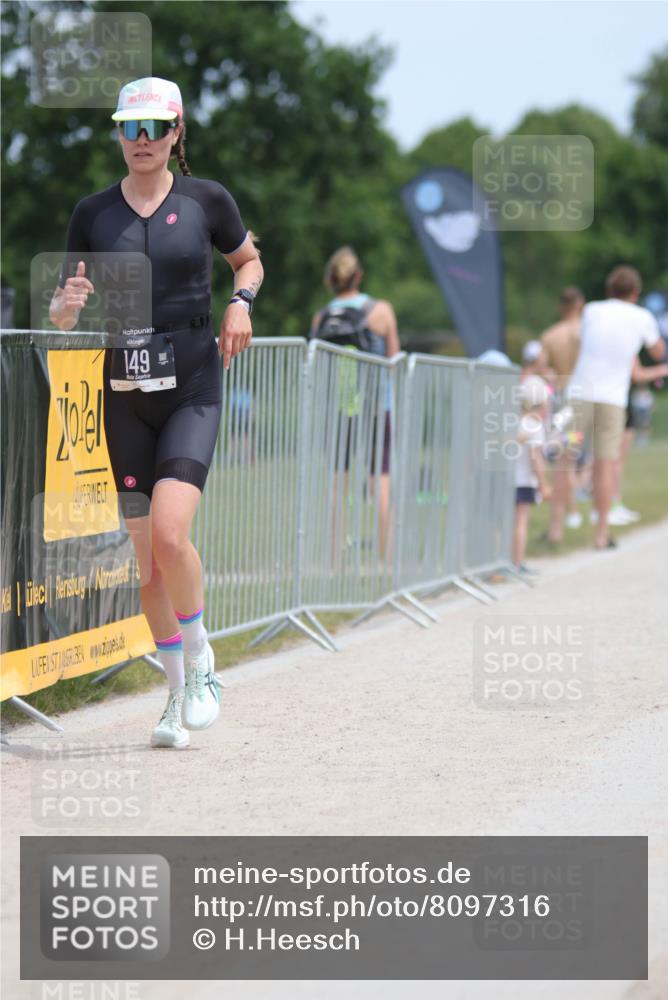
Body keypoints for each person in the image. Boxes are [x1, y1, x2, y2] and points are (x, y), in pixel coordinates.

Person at [49, 77, 263, 749]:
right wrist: (65, 307)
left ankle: (200, 659)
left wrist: (241, 302)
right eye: (128, 128)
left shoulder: (208, 200)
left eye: (153, 129)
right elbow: (62, 304)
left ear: (176, 133)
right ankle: (174, 696)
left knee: (172, 535)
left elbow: (248, 261)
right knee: (146, 568)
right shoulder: (93, 212)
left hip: (193, 384)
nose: (140, 141)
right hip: (124, 394)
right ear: (118, 134)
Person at [310, 247, 400, 560]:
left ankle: (335, 560)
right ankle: (384, 559)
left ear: (331, 280)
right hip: (377, 403)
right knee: (381, 482)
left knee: (338, 484)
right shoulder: (381, 310)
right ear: (358, 275)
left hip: (340, 406)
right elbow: (393, 358)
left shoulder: (321, 317)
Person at [567, 266, 665, 549]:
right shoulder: (642, 317)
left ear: (609, 289)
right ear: (635, 293)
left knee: (566, 455)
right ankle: (601, 533)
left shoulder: (592, 310)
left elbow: (585, 340)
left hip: (579, 394)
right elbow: (658, 350)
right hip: (612, 400)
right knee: (606, 463)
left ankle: (559, 526)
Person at [536, 286, 585, 539]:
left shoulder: (550, 335)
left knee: (564, 460)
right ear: (581, 305)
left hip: (562, 399)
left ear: (560, 307)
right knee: (574, 460)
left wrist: (553, 380)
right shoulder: (586, 332)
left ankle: (564, 520)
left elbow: (542, 368)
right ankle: (571, 515)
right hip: (586, 397)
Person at [513, 376, 552, 573]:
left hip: (509, 479)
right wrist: (543, 484)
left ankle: (500, 563)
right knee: (521, 521)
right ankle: (517, 563)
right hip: (524, 480)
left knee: (504, 523)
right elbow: (536, 457)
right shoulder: (534, 425)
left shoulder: (516, 422)